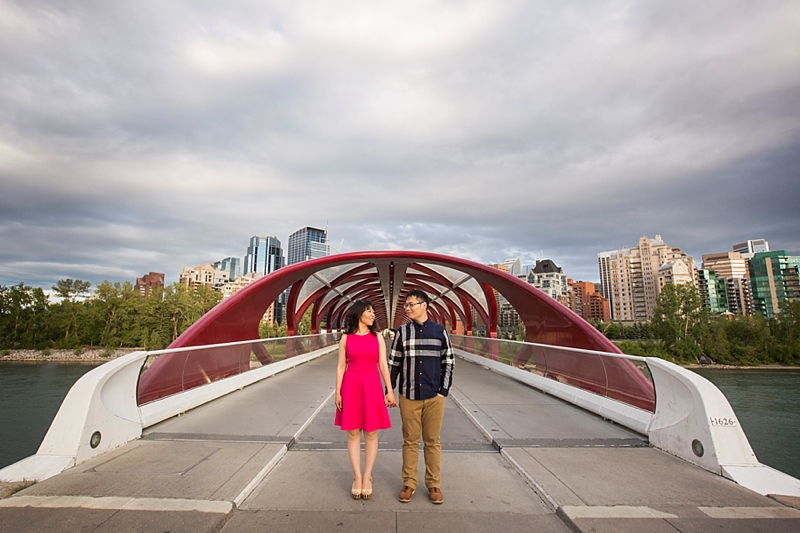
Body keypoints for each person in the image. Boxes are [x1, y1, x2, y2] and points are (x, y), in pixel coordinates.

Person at [388, 289, 454, 504]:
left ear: (424, 305)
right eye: (406, 305)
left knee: (432, 441)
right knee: (410, 441)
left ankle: (434, 484)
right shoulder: (402, 332)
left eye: (411, 304)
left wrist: (443, 391)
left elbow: (449, 362)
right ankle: (409, 483)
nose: (407, 308)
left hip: (434, 395)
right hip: (409, 395)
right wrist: (390, 391)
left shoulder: (439, 331)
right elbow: (394, 364)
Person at [335, 299, 396, 500]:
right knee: (353, 432)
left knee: (371, 432)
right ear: (359, 313)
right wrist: (337, 392)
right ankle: (357, 476)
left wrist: (389, 390)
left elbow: (383, 366)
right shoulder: (346, 338)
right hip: (351, 386)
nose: (372, 315)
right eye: (369, 311)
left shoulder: (377, 337)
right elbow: (341, 367)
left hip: (371, 386)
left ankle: (368, 476)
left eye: (373, 312)